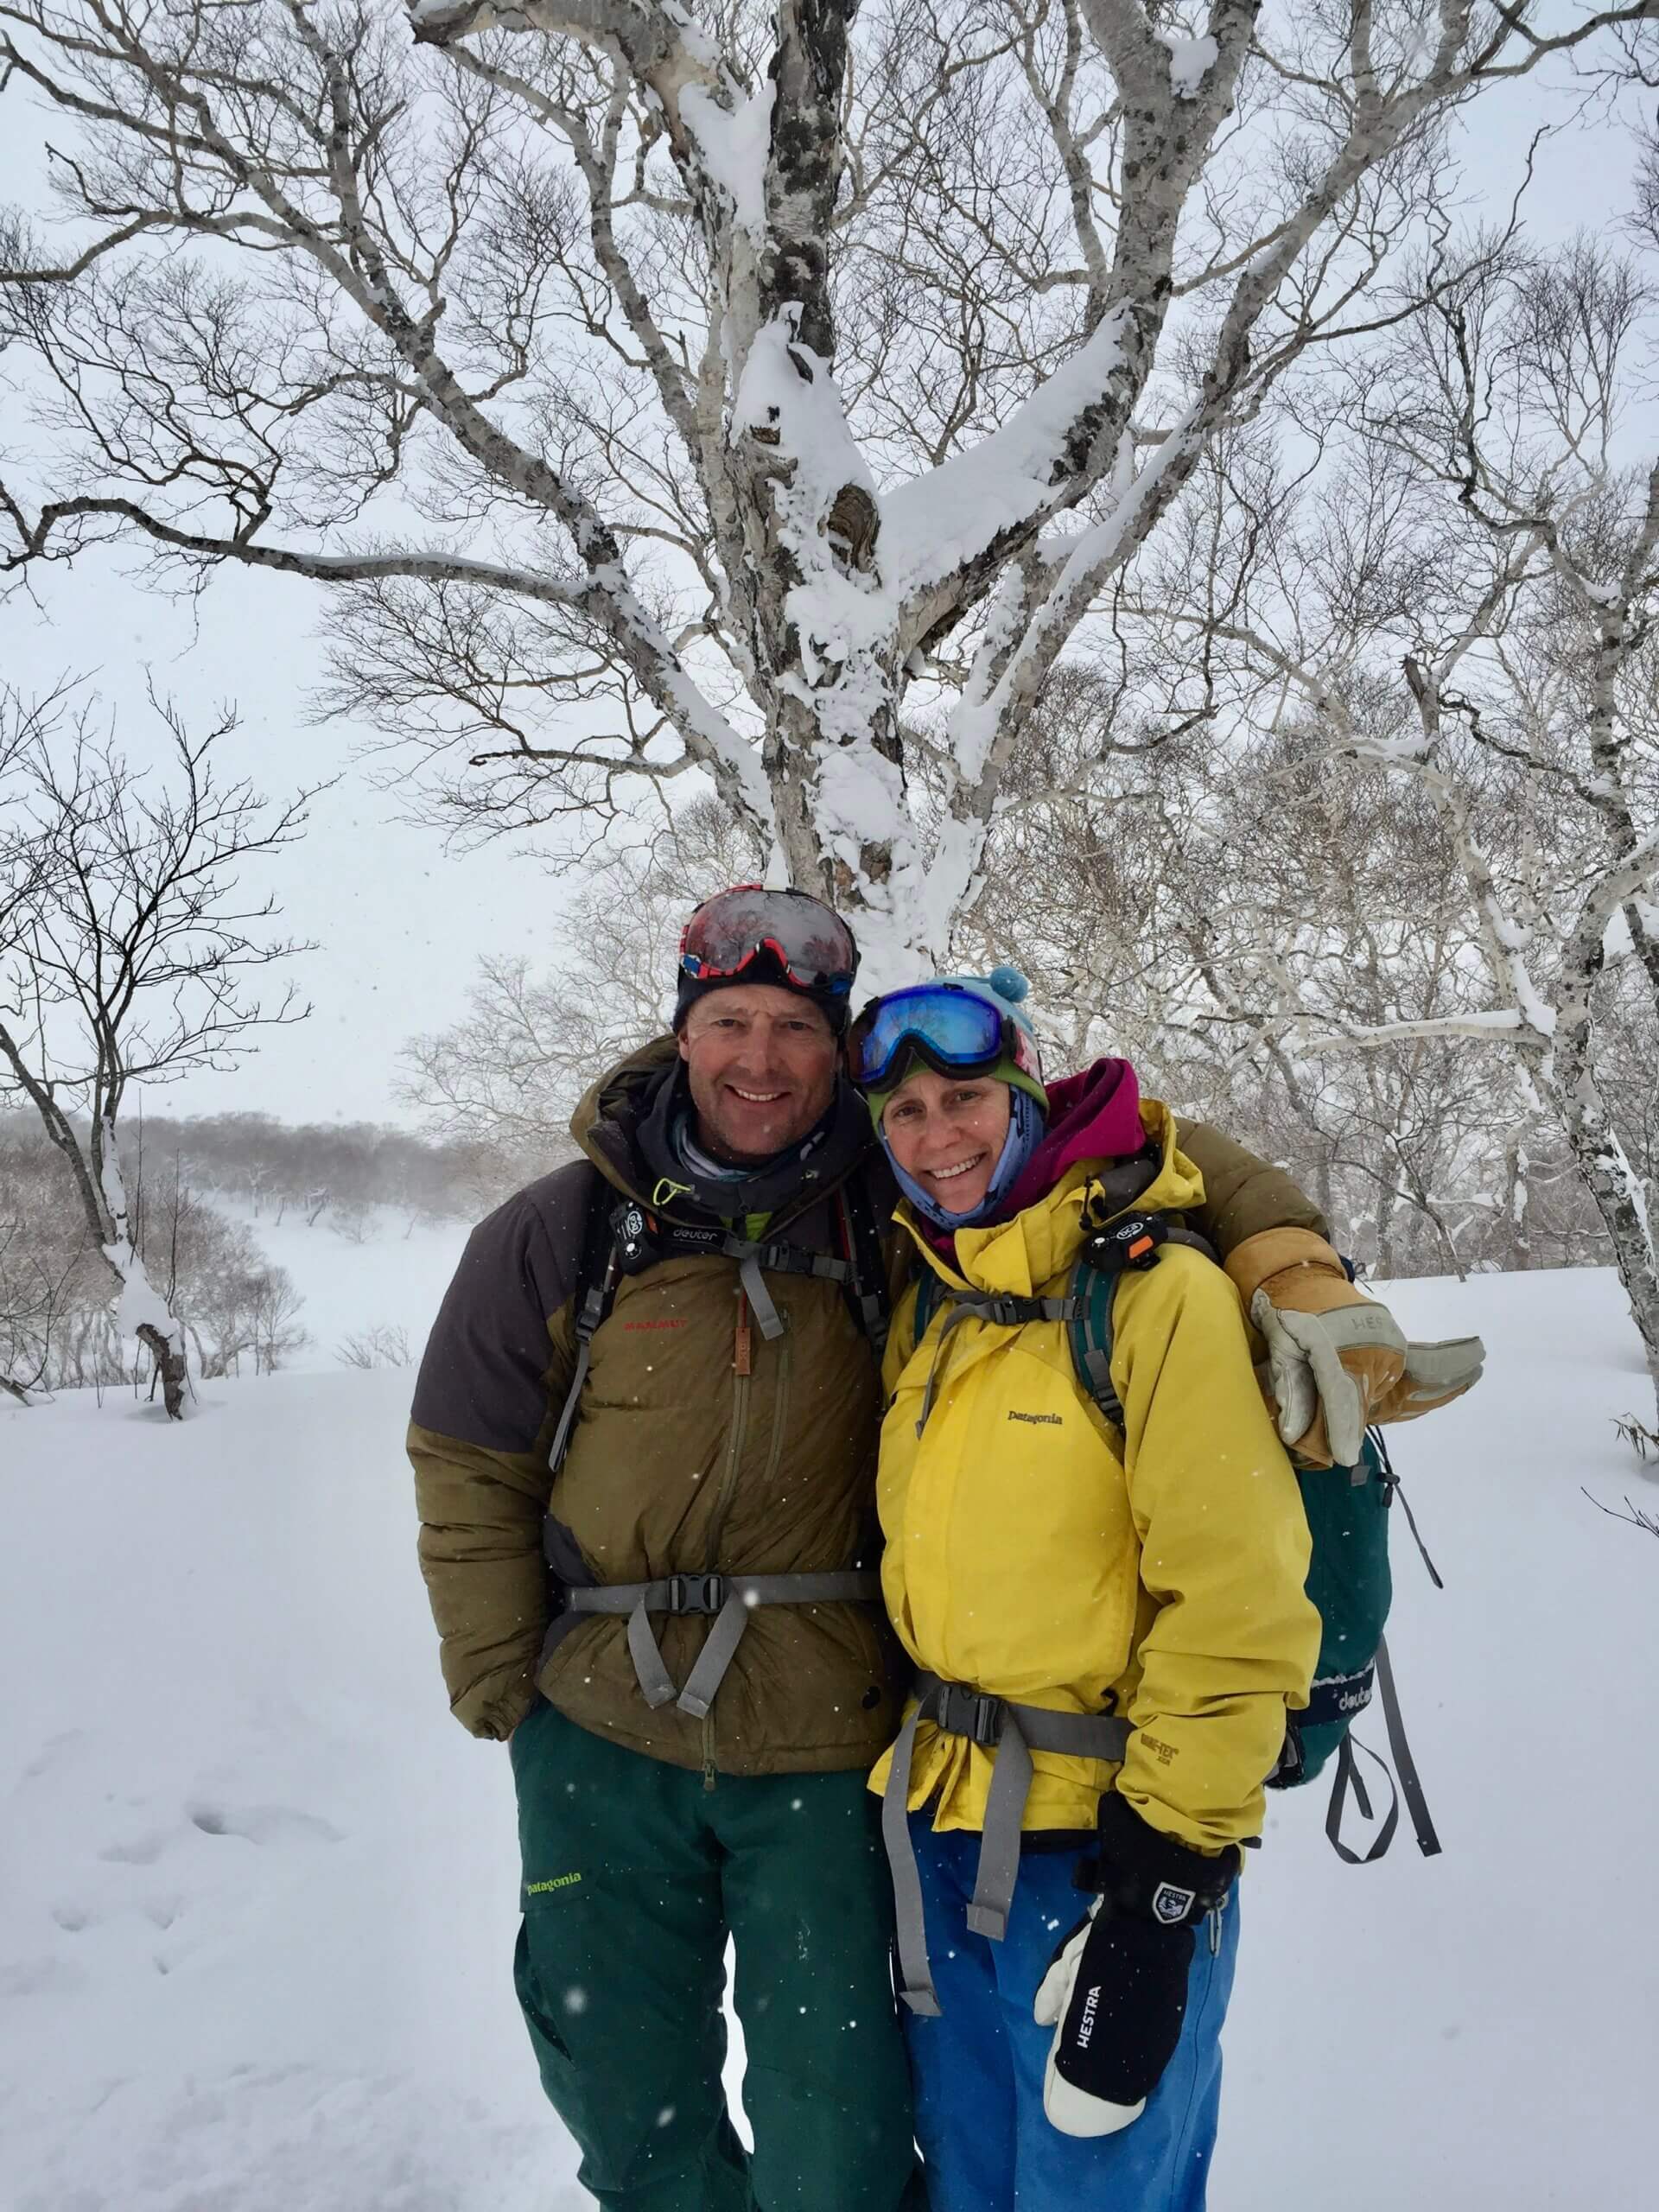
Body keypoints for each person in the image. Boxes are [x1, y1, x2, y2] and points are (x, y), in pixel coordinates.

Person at [406, 889, 1441, 2212]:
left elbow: (1139, 1146)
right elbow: (468, 1456)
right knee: (626, 2102)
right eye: (729, 1021)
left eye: (794, 1026)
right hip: (611, 1732)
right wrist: (506, 1686)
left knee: (836, 2128)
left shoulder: (890, 1200)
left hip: (833, 1743)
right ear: (682, 1035)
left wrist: (1294, 1259)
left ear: (836, 1051)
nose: (761, 1057)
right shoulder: (572, 1226)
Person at [847, 966, 1329, 2212]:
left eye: (963, 1097)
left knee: (1099, 2189)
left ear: (1025, 1100)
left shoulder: (1155, 1298)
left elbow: (1236, 1600)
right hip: (941, 1834)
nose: (935, 1136)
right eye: (903, 1115)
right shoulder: (933, 1307)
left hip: (1104, 1848)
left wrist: (1167, 1885)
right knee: (970, 2178)